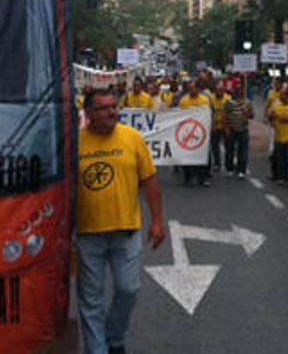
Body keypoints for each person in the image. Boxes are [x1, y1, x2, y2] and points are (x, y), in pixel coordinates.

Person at [77, 89, 166, 354]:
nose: (112, 112)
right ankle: (98, 349)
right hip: (87, 233)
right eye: (104, 108)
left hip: (126, 231)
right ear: (89, 113)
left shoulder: (133, 138)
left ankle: (115, 339)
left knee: (128, 290)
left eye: (114, 107)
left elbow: (149, 180)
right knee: (90, 299)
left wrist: (158, 221)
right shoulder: (74, 143)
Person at [178, 80, 212, 186]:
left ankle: (202, 178)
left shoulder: (205, 100)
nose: (191, 90)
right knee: (186, 155)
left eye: (193, 88)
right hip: (187, 131)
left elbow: (209, 114)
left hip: (201, 132)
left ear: (198, 89)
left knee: (203, 154)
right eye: (189, 88)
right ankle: (188, 177)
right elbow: (179, 116)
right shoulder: (183, 101)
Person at [224, 81, 254, 178]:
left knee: (243, 151)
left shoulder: (247, 102)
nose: (238, 91)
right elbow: (226, 115)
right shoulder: (229, 102)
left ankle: (242, 170)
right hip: (232, 129)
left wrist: (247, 113)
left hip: (243, 129)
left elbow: (252, 115)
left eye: (240, 89)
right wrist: (227, 128)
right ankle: (229, 169)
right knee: (230, 150)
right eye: (237, 90)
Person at [209, 82, 231, 172]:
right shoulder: (211, 98)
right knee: (215, 146)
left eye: (221, 90)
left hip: (225, 126)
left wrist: (228, 127)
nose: (219, 92)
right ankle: (217, 164)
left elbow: (230, 113)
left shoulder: (228, 99)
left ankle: (228, 164)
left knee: (228, 146)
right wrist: (212, 125)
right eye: (217, 90)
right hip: (214, 126)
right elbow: (209, 112)